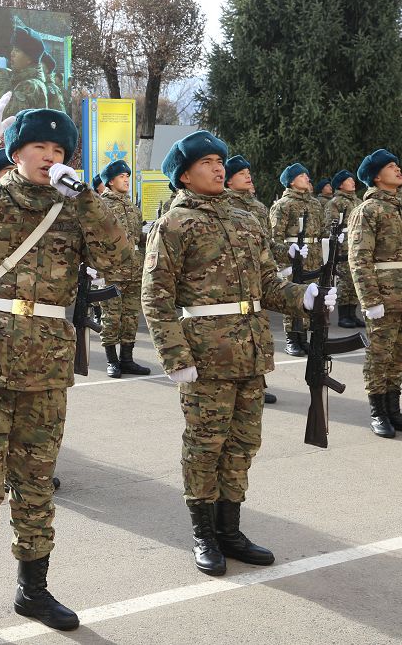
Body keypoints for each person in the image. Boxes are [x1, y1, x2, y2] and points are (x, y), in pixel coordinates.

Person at [0, 93, 133, 642]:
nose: (48, 155)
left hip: (45, 366)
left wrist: (87, 200)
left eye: (58, 147)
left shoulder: (77, 211)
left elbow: (124, 260)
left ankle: (32, 590)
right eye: (37, 146)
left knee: (36, 484)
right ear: (17, 153)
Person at [144, 131, 334, 578]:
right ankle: (203, 533)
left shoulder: (247, 219)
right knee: (204, 445)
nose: (217, 167)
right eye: (207, 162)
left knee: (243, 444)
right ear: (184, 174)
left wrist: (304, 296)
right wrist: (175, 357)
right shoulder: (175, 223)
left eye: (220, 160)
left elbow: (268, 285)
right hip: (205, 355)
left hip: (249, 352)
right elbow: (155, 296)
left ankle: (230, 528)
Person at [347, 149, 402, 439]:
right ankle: (378, 411)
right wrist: (370, 301)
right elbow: (359, 259)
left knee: (398, 357)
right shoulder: (367, 211)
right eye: (391, 167)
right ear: (377, 176)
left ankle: (394, 408)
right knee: (379, 357)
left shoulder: (398, 207)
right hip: (383, 296)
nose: (398, 169)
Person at [223, 155, 280, 404]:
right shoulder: (225, 206)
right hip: (231, 280)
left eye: (248, 171)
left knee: (257, 333)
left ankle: (259, 383)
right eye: (240, 172)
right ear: (228, 180)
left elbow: (266, 241)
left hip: (258, 278)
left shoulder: (257, 208)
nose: (248, 175)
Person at [97, 160, 151, 378]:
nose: (126, 179)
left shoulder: (133, 208)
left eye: (127, 175)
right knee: (112, 317)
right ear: (110, 182)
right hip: (111, 272)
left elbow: (138, 238)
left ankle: (127, 360)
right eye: (121, 176)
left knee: (130, 316)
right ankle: (112, 361)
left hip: (134, 271)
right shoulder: (102, 205)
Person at [269, 163, 325, 356]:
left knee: (311, 297)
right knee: (293, 297)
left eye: (306, 175)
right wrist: (285, 261)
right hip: (293, 257)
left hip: (313, 255)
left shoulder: (315, 204)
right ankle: (292, 339)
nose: (307, 178)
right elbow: (275, 237)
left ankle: (304, 339)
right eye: (301, 175)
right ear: (291, 182)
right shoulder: (283, 205)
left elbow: (321, 229)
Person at [326, 170, 364, 328]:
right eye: (349, 180)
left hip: (359, 244)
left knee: (356, 279)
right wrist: (337, 238)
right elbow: (330, 224)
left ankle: (352, 314)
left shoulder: (358, 201)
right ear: (341, 184)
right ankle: (343, 315)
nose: (353, 181)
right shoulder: (335, 202)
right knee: (345, 281)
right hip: (343, 246)